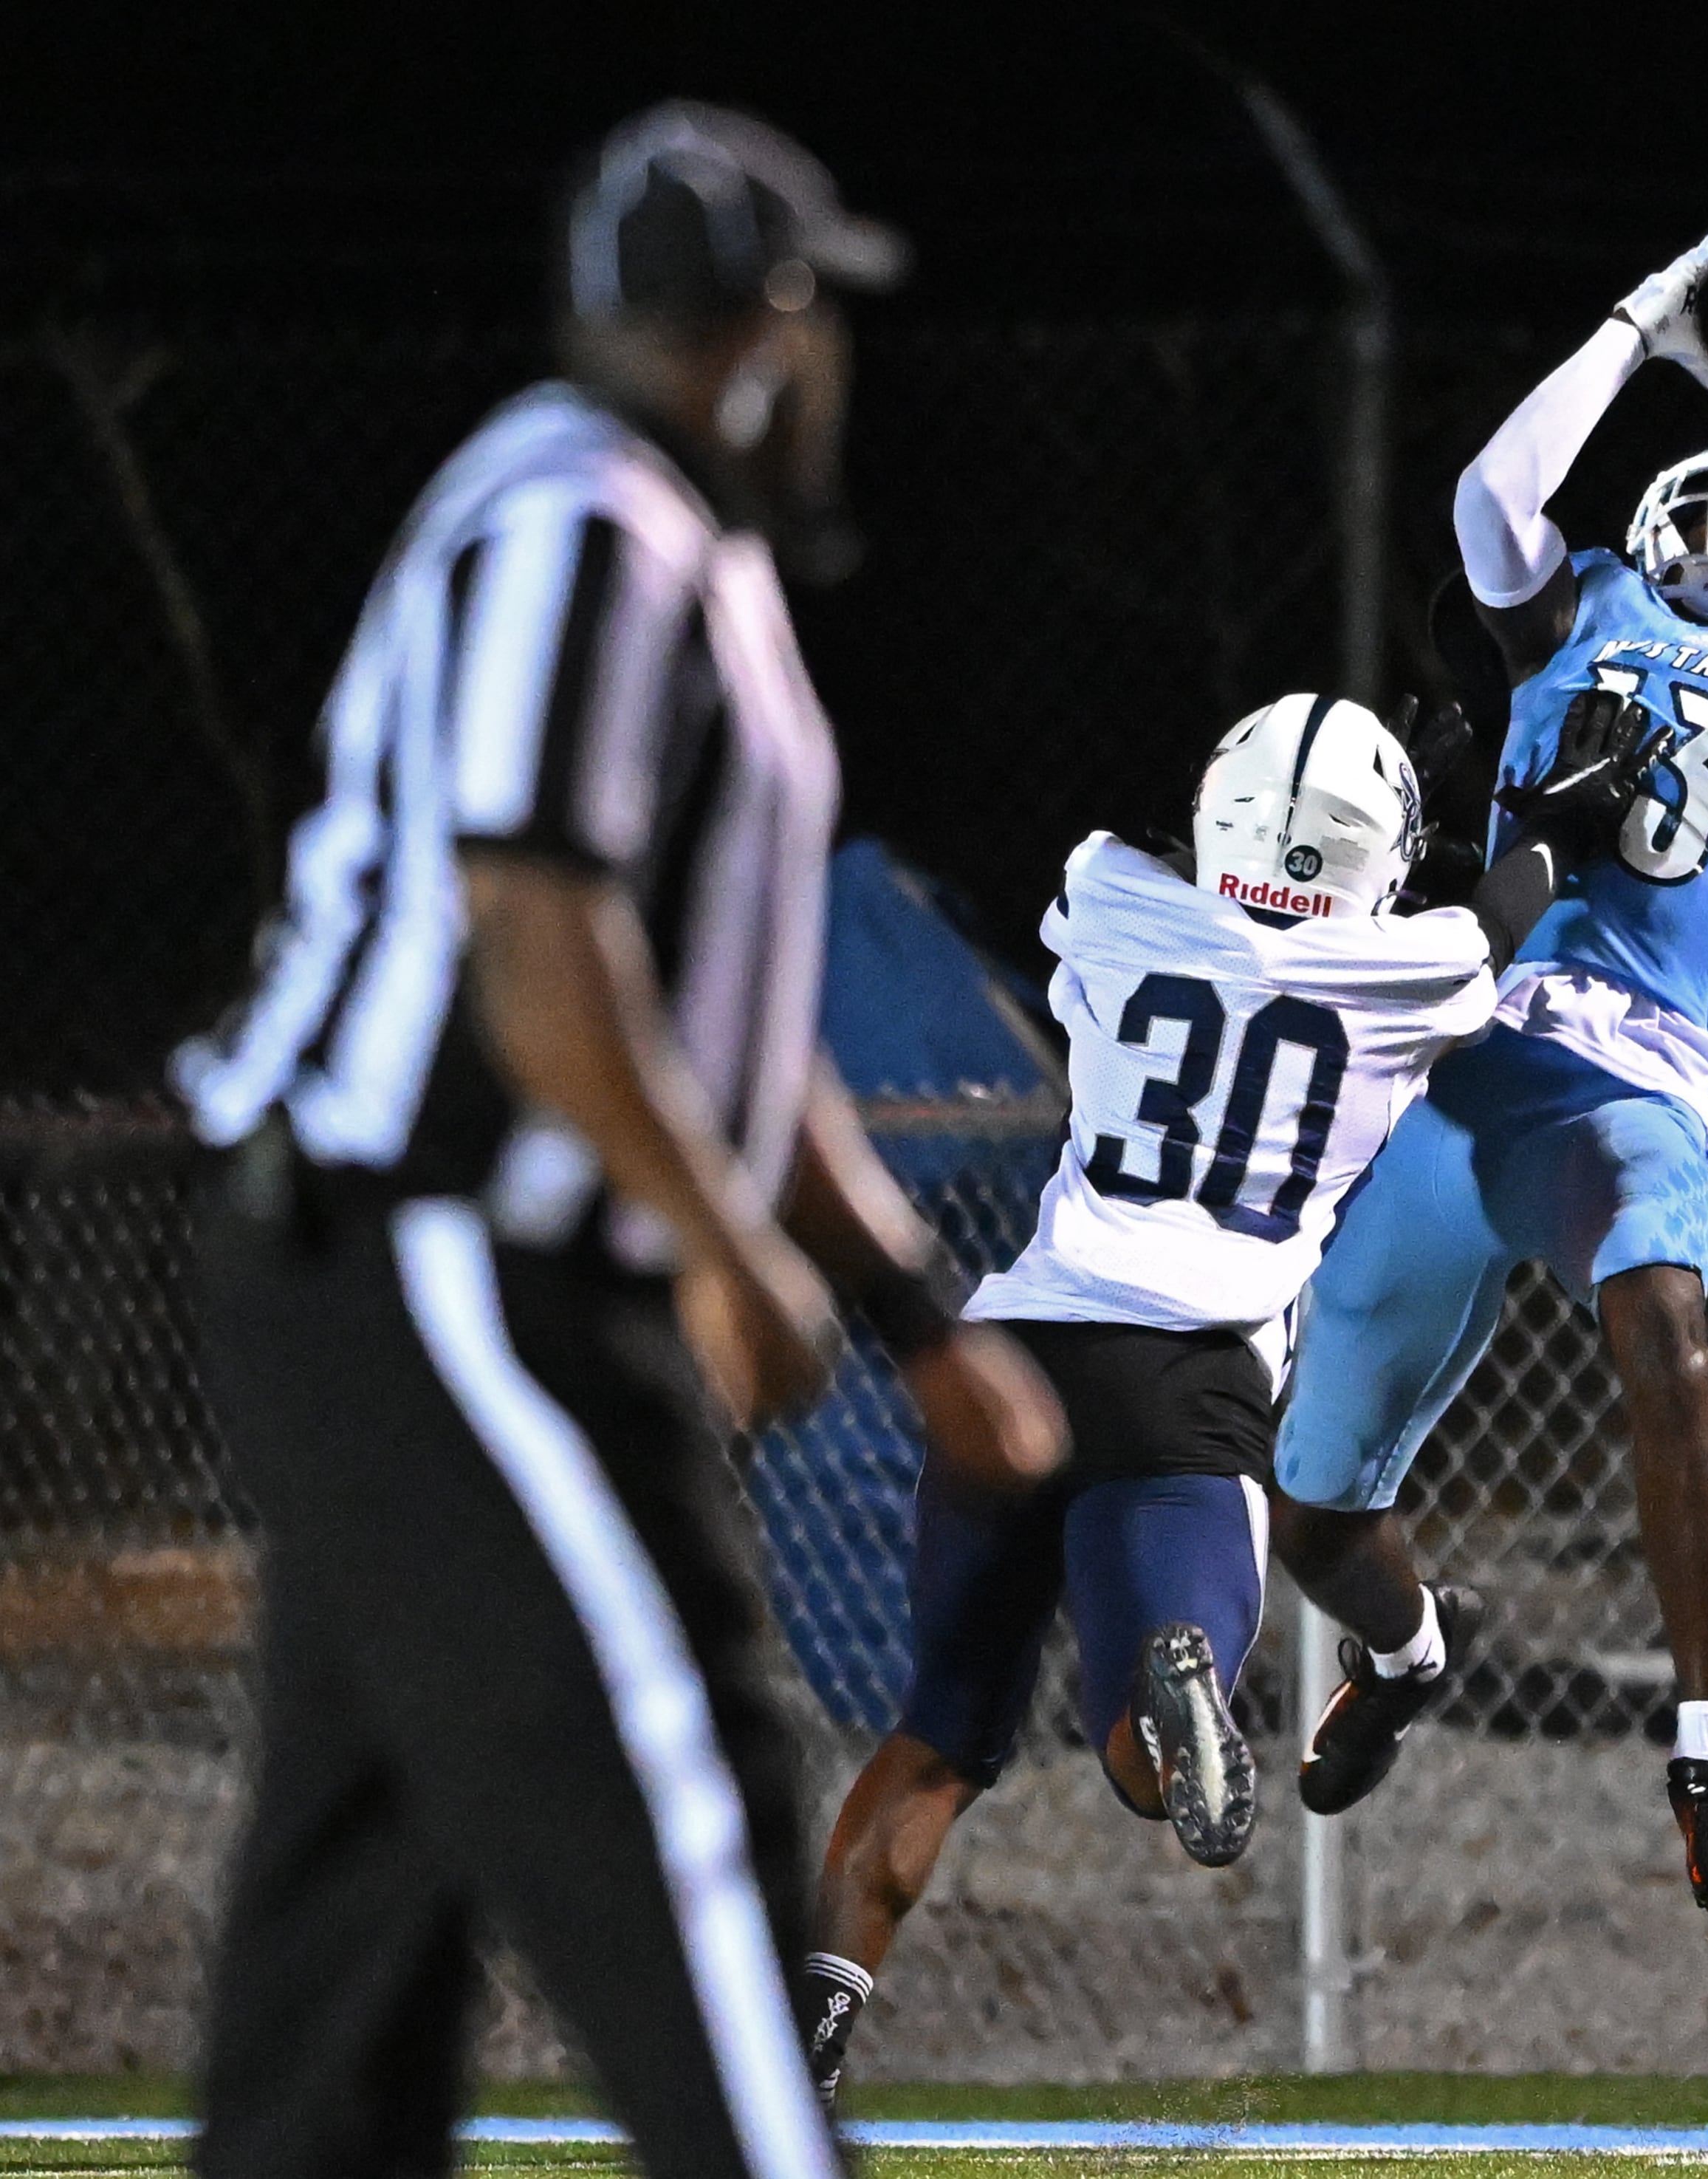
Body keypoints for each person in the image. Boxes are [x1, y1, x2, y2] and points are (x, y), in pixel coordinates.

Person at [171, 103, 1062, 2178]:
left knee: (347, 1958)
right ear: (767, 326)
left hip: (419, 1273)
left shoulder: (668, 551)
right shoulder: (592, 523)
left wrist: (914, 1312)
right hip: (452, 1262)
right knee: (688, 1794)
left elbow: (725, 1030)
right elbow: (541, 942)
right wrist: (722, 1246)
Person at [794, 685, 1667, 2101]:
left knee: (940, 1730)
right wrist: (1529, 833)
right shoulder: (1406, 975)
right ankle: (1167, 1679)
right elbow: (1492, 915)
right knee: (1152, 1762)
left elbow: (1182, 863)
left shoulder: (1113, 895)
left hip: (1019, 1346)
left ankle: (808, 2037)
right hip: (1189, 1368)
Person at [1271, 201, 1708, 1913]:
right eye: (1706, 502)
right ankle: (1413, 1656)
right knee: (1310, 1504)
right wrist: (1643, 317)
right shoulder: (1587, 607)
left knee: (1665, 1318)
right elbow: (1492, 500)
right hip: (1460, 1046)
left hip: (1628, 1089)